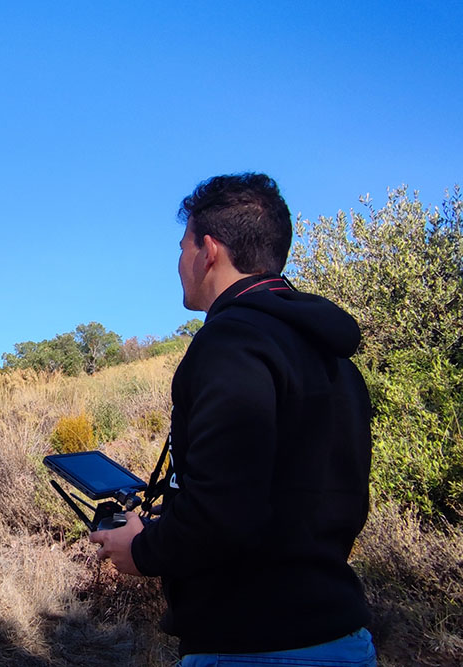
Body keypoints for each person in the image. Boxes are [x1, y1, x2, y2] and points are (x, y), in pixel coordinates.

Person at [89, 173, 376, 665]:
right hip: (343, 639)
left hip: (252, 647)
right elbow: (285, 499)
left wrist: (142, 550)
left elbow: (225, 511)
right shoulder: (333, 359)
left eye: (182, 246)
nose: (179, 263)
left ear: (210, 250)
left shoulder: (230, 344)